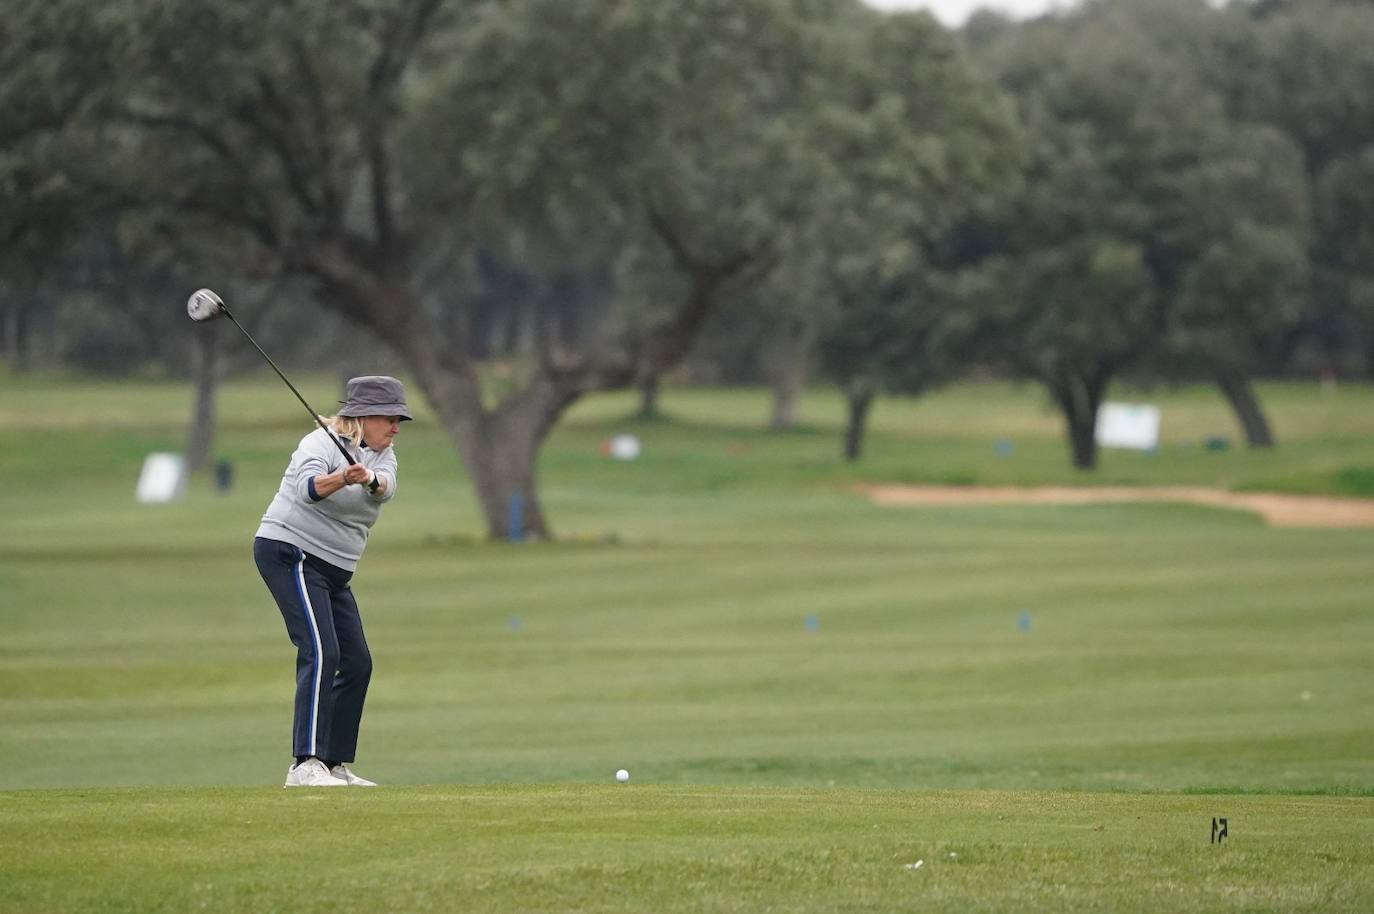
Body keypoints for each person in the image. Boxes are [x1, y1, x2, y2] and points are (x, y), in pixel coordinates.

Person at [252, 375, 411, 787]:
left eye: (398, 420)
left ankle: (333, 763)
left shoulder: (383, 455)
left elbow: (385, 489)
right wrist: (341, 477)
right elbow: (308, 490)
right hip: (291, 551)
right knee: (321, 651)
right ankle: (305, 764)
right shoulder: (319, 443)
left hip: (335, 569)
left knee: (357, 661)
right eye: (390, 419)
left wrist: (367, 478)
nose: (396, 428)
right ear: (364, 415)